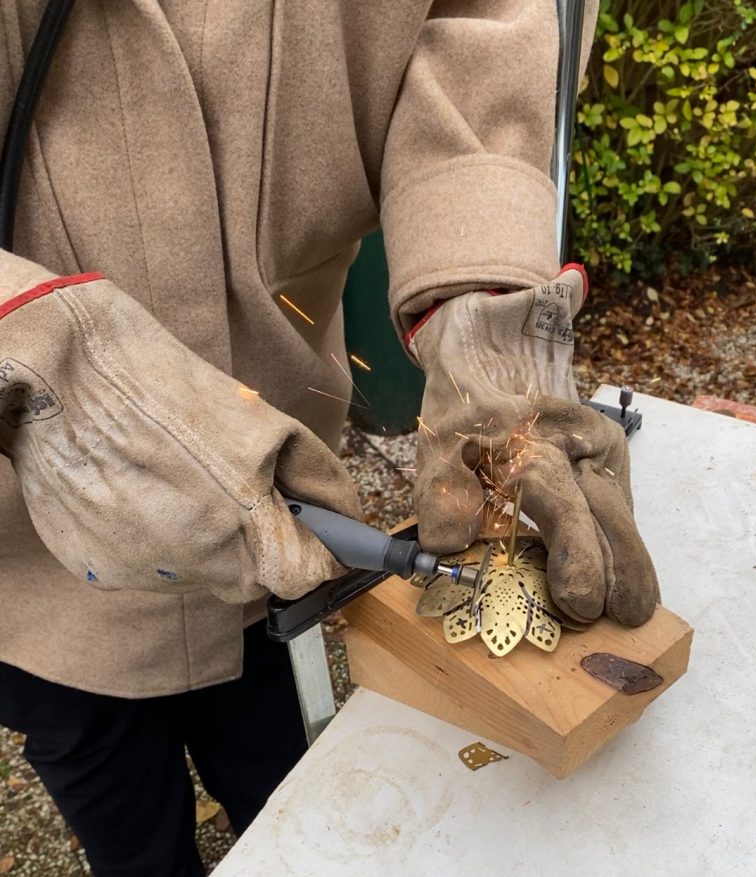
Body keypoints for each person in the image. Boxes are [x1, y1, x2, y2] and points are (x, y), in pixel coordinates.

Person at [0, 1, 658, 874]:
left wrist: (480, 295)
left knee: (295, 806)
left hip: (281, 555)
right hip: (40, 587)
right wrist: (42, 364)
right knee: (125, 824)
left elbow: (481, 28)